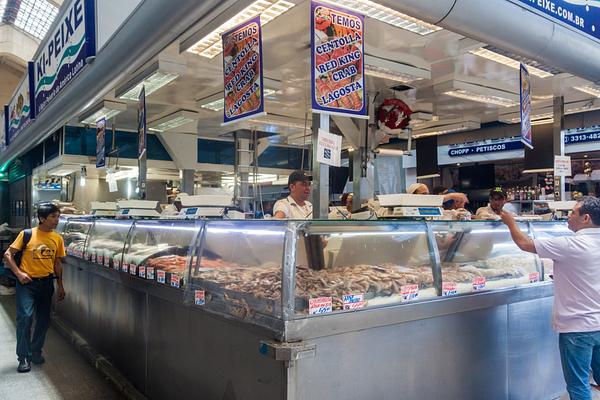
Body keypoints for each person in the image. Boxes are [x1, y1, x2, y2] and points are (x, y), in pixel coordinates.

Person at [501, 197, 600, 400]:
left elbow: (524, 243)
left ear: (586, 218)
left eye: (573, 212)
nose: (568, 216)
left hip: (577, 327)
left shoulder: (572, 244)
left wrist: (510, 222)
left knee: (578, 384)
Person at [4, 203, 66, 373]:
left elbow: (57, 262)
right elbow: (8, 255)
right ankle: (23, 357)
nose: (57, 220)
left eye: (58, 216)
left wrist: (60, 284)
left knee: (44, 320)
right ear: (42, 218)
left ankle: (36, 351)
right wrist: (19, 274)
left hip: (46, 284)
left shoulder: (57, 238)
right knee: (25, 317)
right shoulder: (27, 234)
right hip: (27, 284)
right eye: (53, 217)